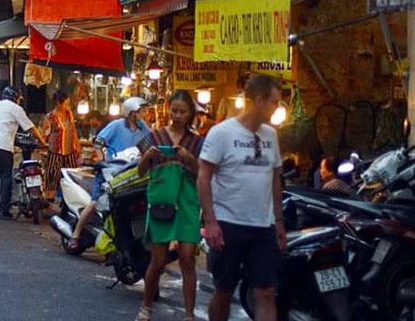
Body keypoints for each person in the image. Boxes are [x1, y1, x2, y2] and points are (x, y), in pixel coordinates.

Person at [198, 74, 286, 321]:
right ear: (259, 100)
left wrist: (278, 221)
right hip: (228, 224)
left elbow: (275, 178)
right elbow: (203, 177)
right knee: (224, 290)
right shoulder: (221, 133)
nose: (277, 108)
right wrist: (210, 222)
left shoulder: (271, 135)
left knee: (266, 291)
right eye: (274, 102)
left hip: (262, 226)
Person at [136, 90, 205, 321]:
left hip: (187, 201)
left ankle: (188, 315)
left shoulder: (196, 142)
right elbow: (140, 171)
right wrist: (148, 156)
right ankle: (146, 306)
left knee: (187, 257)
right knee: (158, 260)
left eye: (182, 111)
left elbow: (201, 174)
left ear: (190, 114)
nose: (177, 116)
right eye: (174, 110)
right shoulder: (154, 137)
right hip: (162, 200)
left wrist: (188, 158)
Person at [69, 96, 152, 249]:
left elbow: (154, 141)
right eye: (141, 112)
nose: (144, 115)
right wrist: (102, 160)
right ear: (132, 113)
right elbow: (98, 142)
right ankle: (76, 234)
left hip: (131, 174)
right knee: (95, 202)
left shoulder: (143, 128)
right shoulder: (117, 125)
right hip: (111, 170)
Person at [0, 87, 45, 219]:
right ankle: (4, 209)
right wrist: (43, 142)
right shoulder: (15, 108)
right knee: (5, 176)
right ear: (16, 97)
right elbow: (30, 127)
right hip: (3, 145)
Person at [41, 88, 81, 203]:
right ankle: (49, 202)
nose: (67, 106)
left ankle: (68, 202)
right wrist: (44, 144)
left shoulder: (69, 114)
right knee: (52, 176)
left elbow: (73, 130)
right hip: (55, 152)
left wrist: (77, 146)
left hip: (69, 151)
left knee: (71, 176)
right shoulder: (50, 117)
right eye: (66, 103)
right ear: (59, 103)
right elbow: (44, 134)